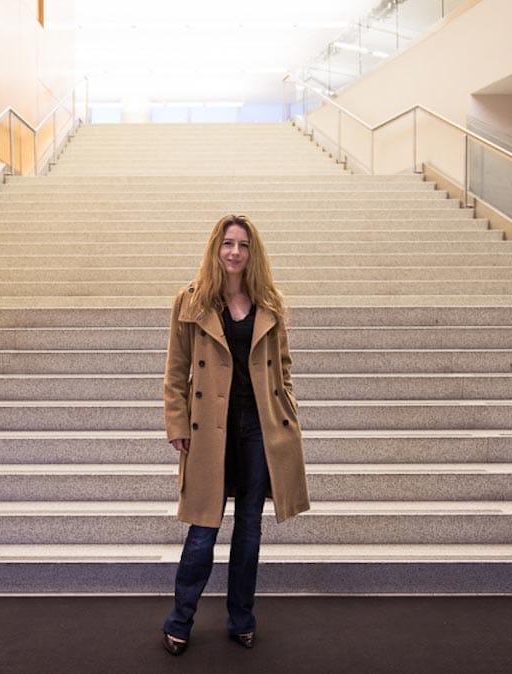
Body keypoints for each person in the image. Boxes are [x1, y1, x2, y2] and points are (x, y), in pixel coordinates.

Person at [160, 214, 311, 656]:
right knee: (203, 530)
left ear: (252, 252)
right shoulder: (189, 302)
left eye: (243, 245)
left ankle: (241, 619)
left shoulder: (270, 303)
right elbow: (175, 373)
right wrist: (176, 425)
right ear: (216, 248)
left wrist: (287, 413)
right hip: (210, 431)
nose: (235, 253)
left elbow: (283, 368)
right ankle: (179, 620)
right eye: (228, 243)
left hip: (259, 431)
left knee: (248, 532)